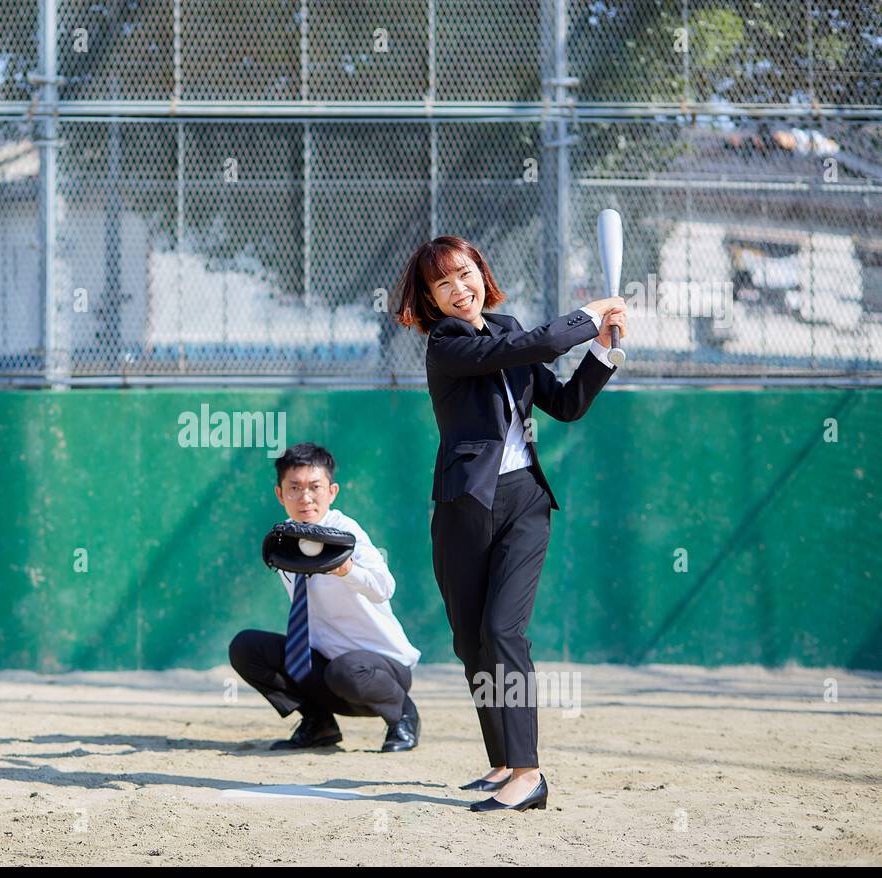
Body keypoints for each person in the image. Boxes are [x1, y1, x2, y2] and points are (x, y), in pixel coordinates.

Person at [394, 235, 626, 811]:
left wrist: (601, 352)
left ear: (481, 273)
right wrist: (590, 312)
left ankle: (529, 771)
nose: (458, 289)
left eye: (465, 274)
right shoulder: (445, 344)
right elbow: (541, 343)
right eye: (442, 283)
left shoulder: (508, 331)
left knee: (503, 632)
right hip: (463, 508)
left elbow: (566, 403)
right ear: (429, 298)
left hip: (525, 502)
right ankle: (501, 761)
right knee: (471, 642)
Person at [229, 442, 423, 752]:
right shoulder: (285, 539)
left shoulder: (347, 533)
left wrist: (346, 568)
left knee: (346, 670)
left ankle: (403, 714)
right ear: (280, 494)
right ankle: (318, 723)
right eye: (294, 487)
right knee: (246, 647)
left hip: (380, 672)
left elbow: (385, 587)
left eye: (314, 487)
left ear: (332, 492)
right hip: (328, 670)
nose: (305, 497)